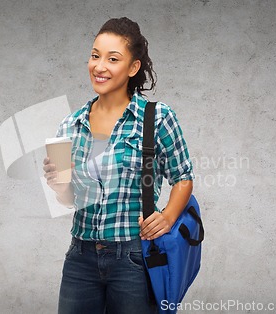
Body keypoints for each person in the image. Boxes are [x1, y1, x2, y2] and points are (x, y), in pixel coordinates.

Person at [43, 17, 194, 314]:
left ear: (133, 67)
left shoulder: (156, 117)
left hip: (134, 259)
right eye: (95, 55)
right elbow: (68, 200)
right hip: (80, 256)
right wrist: (58, 184)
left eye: (113, 59)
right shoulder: (71, 125)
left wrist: (168, 216)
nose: (100, 66)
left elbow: (183, 176)